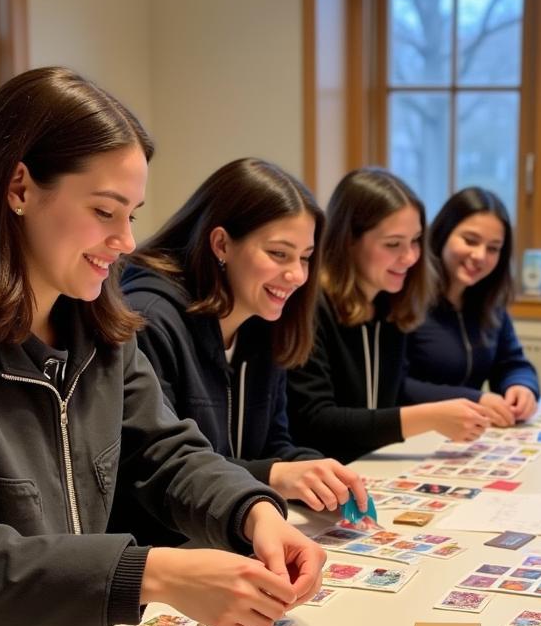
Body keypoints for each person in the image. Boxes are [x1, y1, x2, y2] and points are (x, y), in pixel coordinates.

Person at [0, 67, 325, 626]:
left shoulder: (101, 324)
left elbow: (165, 452)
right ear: (20, 187)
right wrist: (155, 574)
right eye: (106, 211)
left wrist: (254, 511)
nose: (128, 241)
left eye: (132, 214)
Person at [121, 158, 368, 533]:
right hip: (168, 552)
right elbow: (157, 470)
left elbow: (274, 445)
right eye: (279, 254)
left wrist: (317, 474)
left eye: (304, 257)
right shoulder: (150, 319)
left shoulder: (263, 321)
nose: (297, 275)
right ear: (221, 244)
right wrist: (278, 474)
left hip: (231, 532)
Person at [287, 167, 491, 463]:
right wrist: (431, 416)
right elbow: (316, 422)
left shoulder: (390, 304)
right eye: (393, 244)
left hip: (370, 465)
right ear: (348, 241)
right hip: (320, 477)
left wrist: (466, 403)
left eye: (416, 240)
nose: (410, 257)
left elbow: (391, 393)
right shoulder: (311, 306)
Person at [403, 187, 539, 426]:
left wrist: (521, 385)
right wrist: (475, 399)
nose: (480, 255)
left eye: (493, 248)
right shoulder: (406, 297)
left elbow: (512, 362)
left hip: (466, 437)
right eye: (470, 240)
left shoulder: (490, 302)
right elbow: (396, 386)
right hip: (414, 435)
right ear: (443, 233)